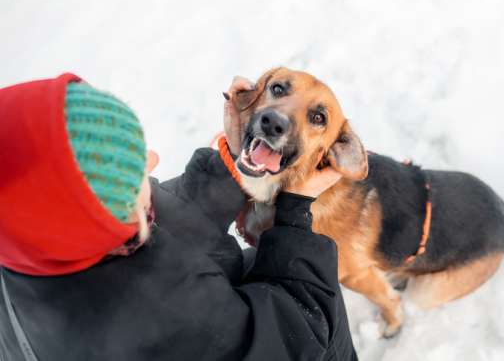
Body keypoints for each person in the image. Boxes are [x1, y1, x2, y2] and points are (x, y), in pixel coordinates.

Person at [0, 73, 358, 360]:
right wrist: (295, 211)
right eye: (137, 169)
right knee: (316, 300)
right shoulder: (156, 311)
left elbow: (168, 215)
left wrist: (231, 164)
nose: (153, 160)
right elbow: (297, 335)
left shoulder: (32, 234)